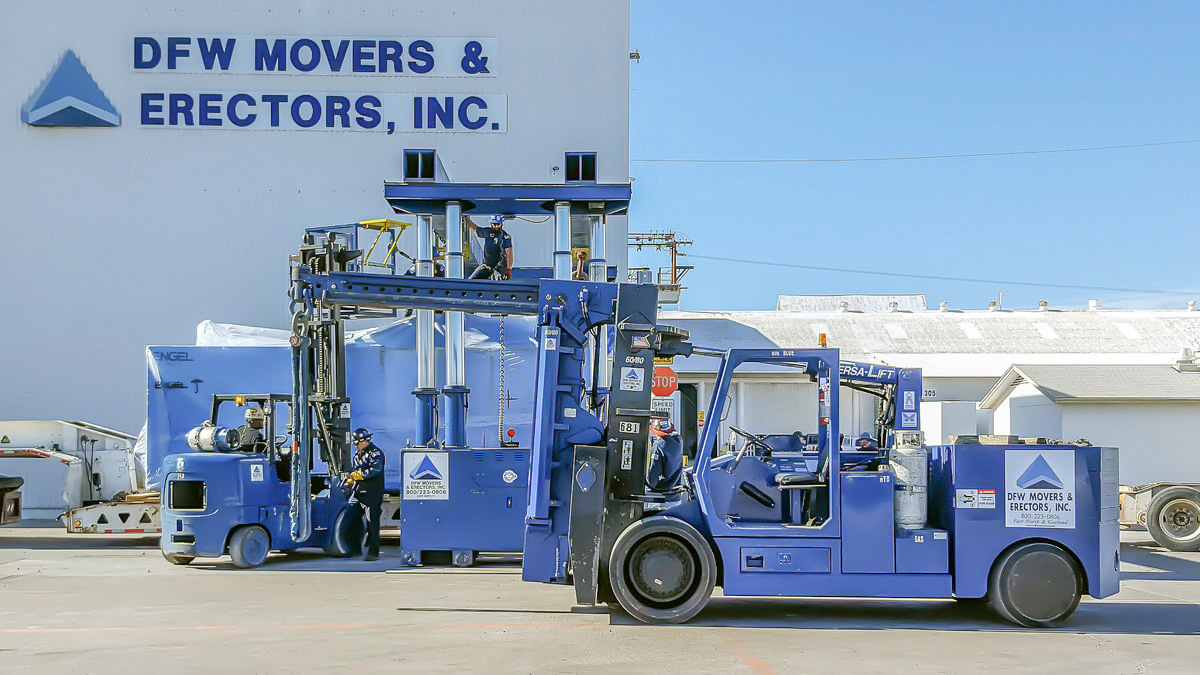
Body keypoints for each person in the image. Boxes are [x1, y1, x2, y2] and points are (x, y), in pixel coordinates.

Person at [344, 427, 385, 560]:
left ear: (363, 441)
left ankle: (373, 552)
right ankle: (354, 549)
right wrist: (350, 481)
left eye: (356, 443)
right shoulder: (358, 455)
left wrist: (358, 475)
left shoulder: (376, 453)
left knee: (372, 523)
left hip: (371, 494)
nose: (355, 446)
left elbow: (375, 470)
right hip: (358, 493)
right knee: (349, 520)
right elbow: (354, 470)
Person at [468, 215, 514, 279]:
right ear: (491, 224)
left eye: (498, 224)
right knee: (471, 281)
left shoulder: (505, 237)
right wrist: (466, 219)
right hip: (487, 266)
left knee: (495, 283)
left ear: (501, 224)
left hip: (499, 268)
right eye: (494, 224)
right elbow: (476, 229)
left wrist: (508, 269)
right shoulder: (488, 232)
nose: (496, 226)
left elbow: (509, 252)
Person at [647, 419, 683, 493]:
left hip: (661, 494)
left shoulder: (658, 447)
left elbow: (652, 479)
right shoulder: (678, 441)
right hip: (675, 492)